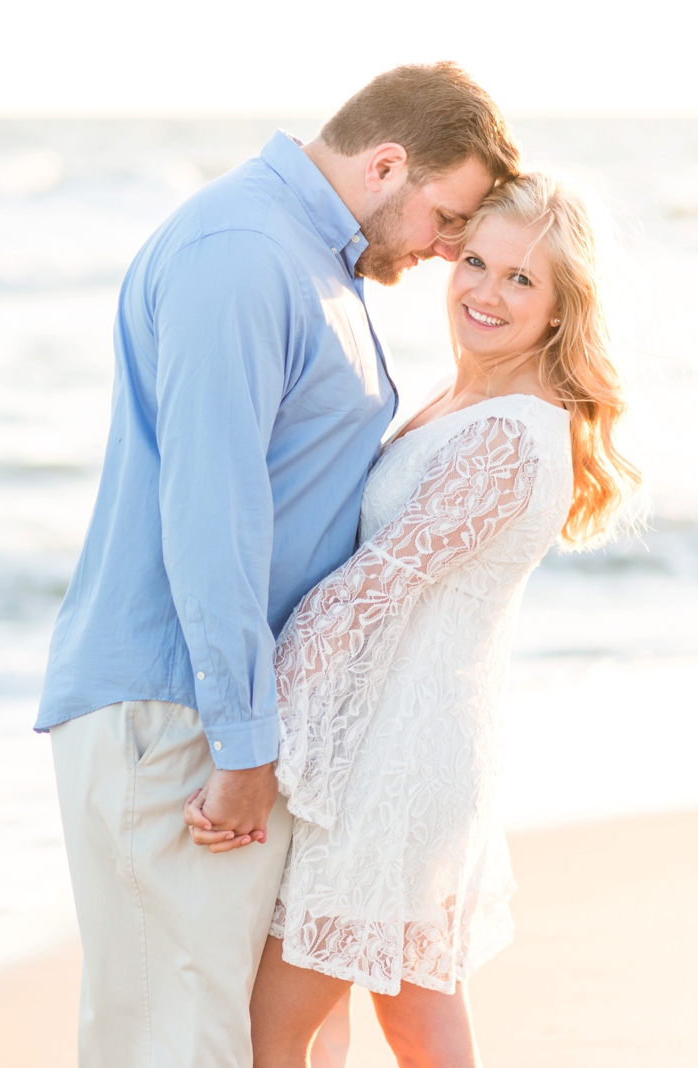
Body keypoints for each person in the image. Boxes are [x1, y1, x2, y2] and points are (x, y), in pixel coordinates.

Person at [36, 63, 519, 1068]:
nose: (443, 252)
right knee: (177, 1040)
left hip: (220, 714)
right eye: (445, 218)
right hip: (179, 711)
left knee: (215, 1030)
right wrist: (245, 747)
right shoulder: (244, 254)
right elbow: (211, 517)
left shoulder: (307, 258)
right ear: (387, 163)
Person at [187, 171, 642, 1067]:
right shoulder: (465, 400)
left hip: (400, 768)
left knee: (277, 1028)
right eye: (476, 260)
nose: (485, 291)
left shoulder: (509, 435)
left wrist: (244, 735)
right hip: (401, 744)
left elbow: (368, 591)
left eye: (522, 279)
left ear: (560, 309)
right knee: (393, 1014)